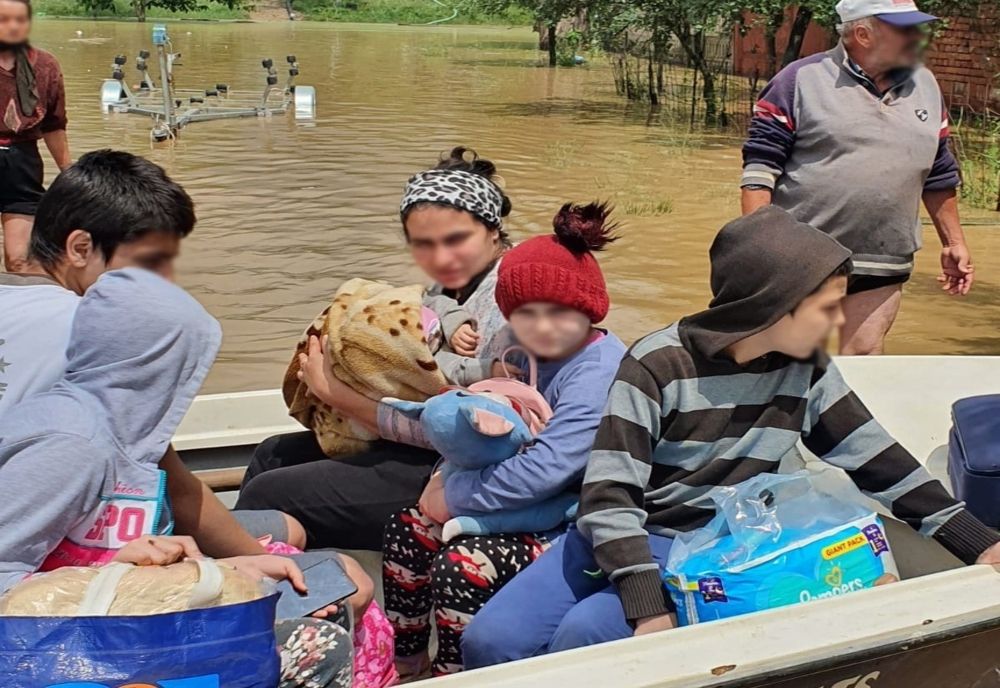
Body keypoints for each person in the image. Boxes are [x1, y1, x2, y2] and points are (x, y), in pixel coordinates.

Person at [463, 207, 1000, 668]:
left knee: (584, 634)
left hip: (716, 550)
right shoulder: (658, 365)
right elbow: (608, 497)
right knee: (489, 641)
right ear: (770, 306)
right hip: (622, 537)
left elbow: (878, 461)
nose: (839, 319)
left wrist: (980, 542)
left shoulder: (806, 367)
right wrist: (648, 606)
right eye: (827, 306)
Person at [0, 269, 358, 688]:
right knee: (320, 642)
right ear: (149, 366)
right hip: (71, 655)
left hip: (108, 622)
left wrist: (235, 568)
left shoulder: (119, 429)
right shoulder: (73, 447)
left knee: (333, 586)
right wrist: (126, 569)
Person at [346, 202, 624, 678]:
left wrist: (452, 496)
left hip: (566, 521)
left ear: (589, 308)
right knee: (406, 531)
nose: (541, 326)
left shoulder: (597, 373)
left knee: (463, 564)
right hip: (508, 499)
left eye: (559, 313)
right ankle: (405, 659)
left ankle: (456, 673)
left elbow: (548, 469)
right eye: (524, 313)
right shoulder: (520, 351)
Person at [0, 149, 302, 558]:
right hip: (58, 549)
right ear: (80, 247)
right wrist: (258, 563)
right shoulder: (105, 336)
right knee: (290, 532)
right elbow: (172, 482)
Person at [236, 146, 515, 551]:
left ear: (492, 229)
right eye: (424, 244)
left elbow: (479, 435)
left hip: (461, 469)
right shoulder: (447, 289)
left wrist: (337, 395)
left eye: (456, 240)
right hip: (418, 446)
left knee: (270, 494)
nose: (440, 257)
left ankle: (281, 593)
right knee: (272, 455)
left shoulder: (509, 300)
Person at [741, 0, 971, 356]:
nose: (919, 38)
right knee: (789, 360)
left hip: (885, 259)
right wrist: (756, 245)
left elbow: (938, 172)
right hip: (804, 258)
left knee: (863, 364)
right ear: (863, 34)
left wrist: (953, 242)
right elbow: (760, 169)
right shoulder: (798, 81)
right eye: (905, 29)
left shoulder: (925, 85)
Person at [0, 0, 70, 273]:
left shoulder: (45, 65)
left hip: (23, 165)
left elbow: (54, 124)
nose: (13, 26)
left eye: (20, 19)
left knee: (21, 261)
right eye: (4, 19)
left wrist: (68, 174)